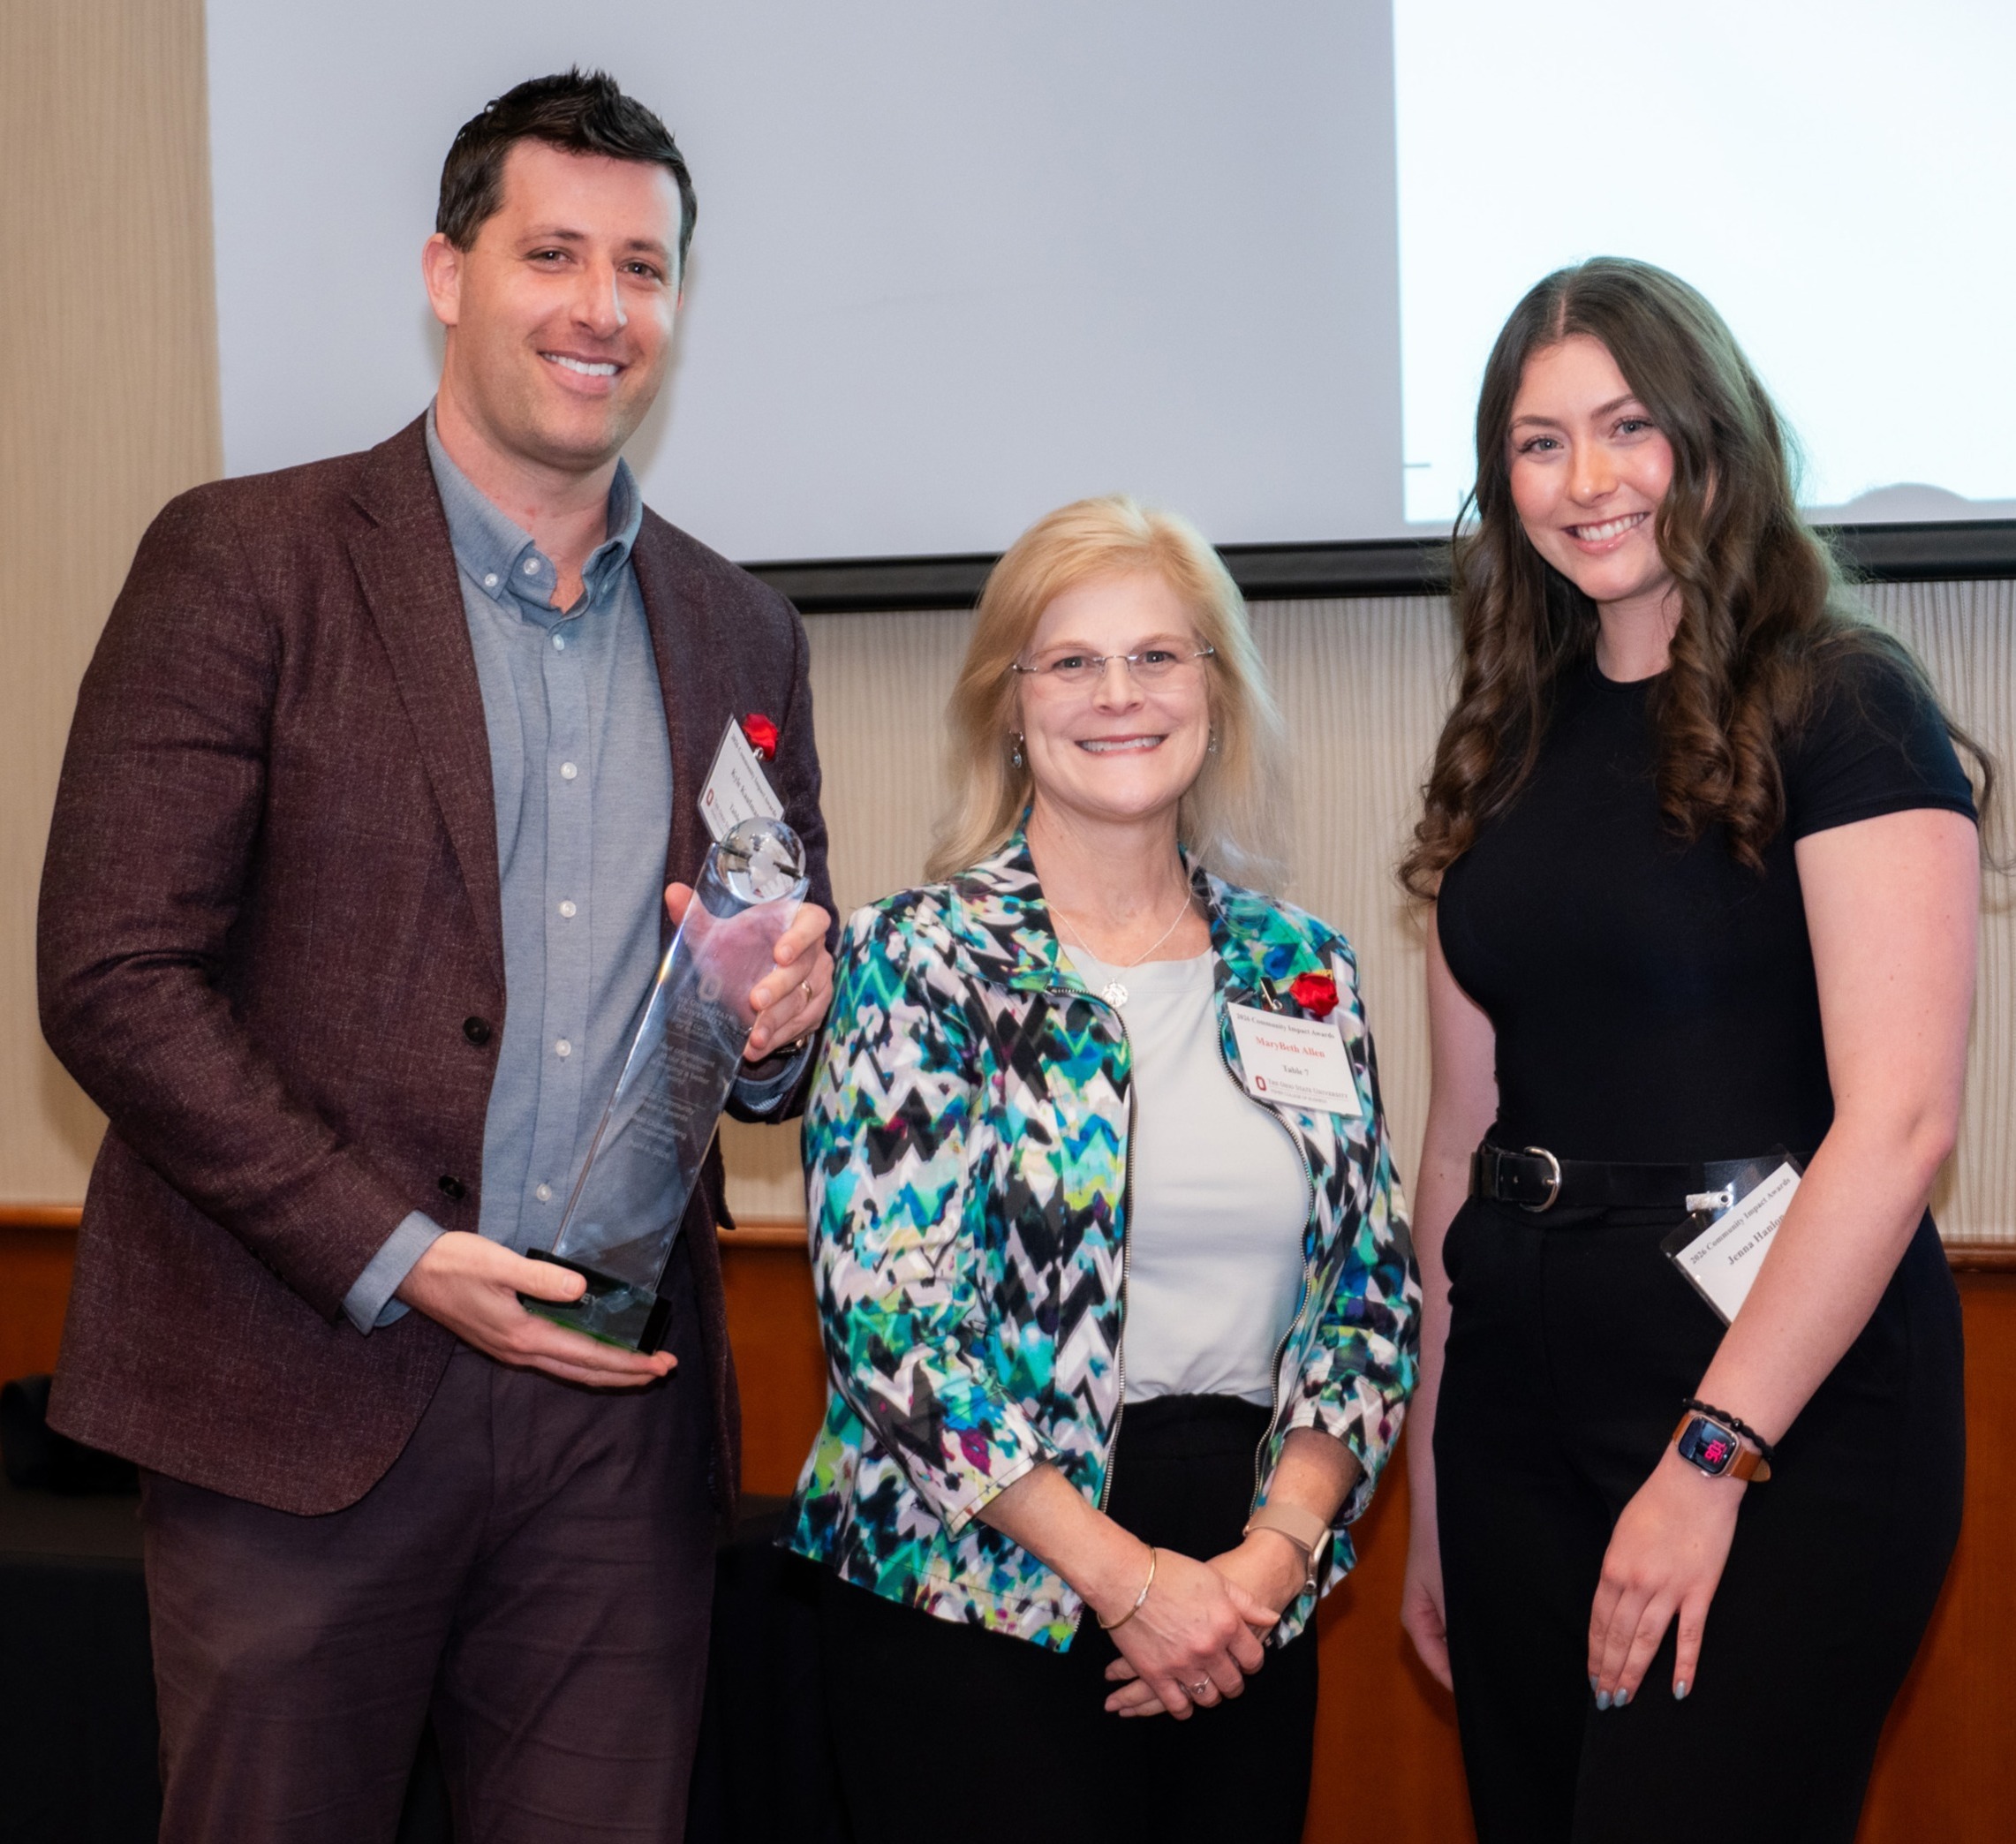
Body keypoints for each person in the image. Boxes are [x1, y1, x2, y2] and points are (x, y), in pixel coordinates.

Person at [37, 70, 834, 1842]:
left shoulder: (737, 627)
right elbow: (110, 973)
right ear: (445, 272)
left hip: (615, 1436)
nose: (598, 306)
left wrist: (782, 1023)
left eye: (641, 266)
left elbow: (752, 1008)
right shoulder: (245, 563)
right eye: (550, 252)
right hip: (296, 1407)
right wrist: (397, 1254)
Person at [1396, 258, 1990, 1843]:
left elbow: (1904, 1123)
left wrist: (1709, 1462)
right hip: (1516, 1394)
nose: (1585, 482)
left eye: (1626, 426)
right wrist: (1436, 1494)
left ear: (1712, 442)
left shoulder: (1845, 702)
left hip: (1784, 1412)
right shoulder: (1506, 728)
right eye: (1536, 443)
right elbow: (1462, 1144)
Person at [785, 495, 1420, 1841]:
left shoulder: (1299, 971)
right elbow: (885, 1325)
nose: (1118, 695)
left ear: (1215, 691)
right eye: (1071, 662)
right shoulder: (921, 957)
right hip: (975, 1598)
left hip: (1246, 1590)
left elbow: (1369, 1300)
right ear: (1009, 706)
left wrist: (1271, 1561)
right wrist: (1130, 1584)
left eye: (1159, 657)